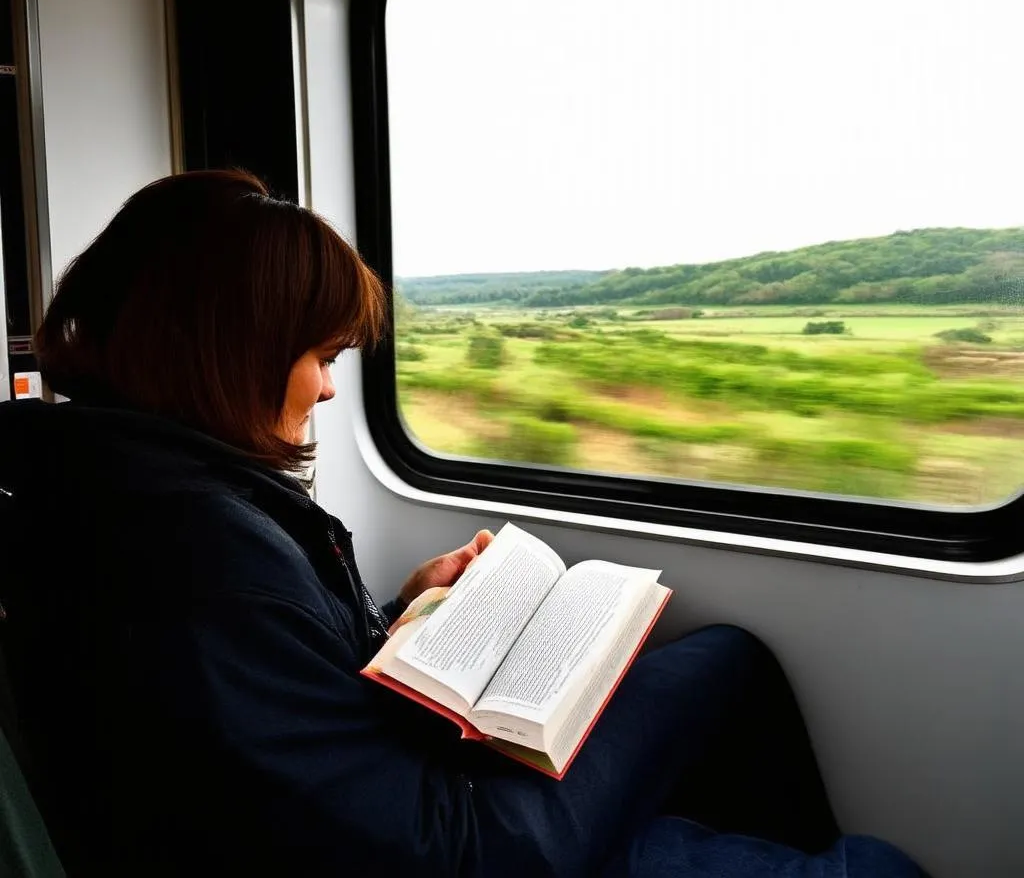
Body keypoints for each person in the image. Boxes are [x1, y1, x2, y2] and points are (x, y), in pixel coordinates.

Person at [0, 170, 929, 877]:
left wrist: (400, 613)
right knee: (865, 848)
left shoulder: (120, 480)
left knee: (729, 657)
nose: (327, 386)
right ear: (225, 350)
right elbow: (429, 848)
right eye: (317, 355)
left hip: (376, 807)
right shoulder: (187, 546)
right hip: (458, 846)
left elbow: (273, 694)